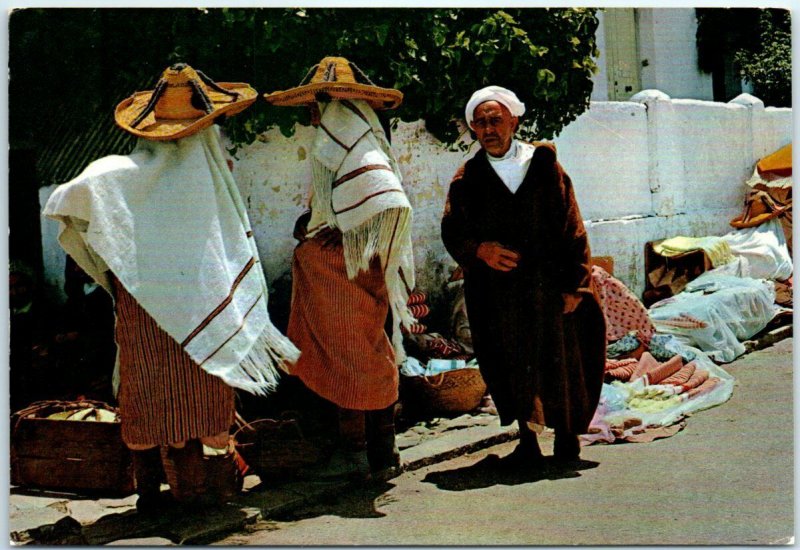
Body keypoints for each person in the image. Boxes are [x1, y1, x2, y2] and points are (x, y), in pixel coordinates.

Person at [43, 63, 299, 510]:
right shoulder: (209, 178)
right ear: (203, 128)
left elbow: (68, 199)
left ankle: (153, 494)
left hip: (145, 304)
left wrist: (115, 262)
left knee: (151, 398)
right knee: (197, 399)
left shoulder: (118, 174)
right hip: (200, 303)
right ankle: (200, 494)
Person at [264, 56, 417, 480]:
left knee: (358, 357)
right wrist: (316, 228)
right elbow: (332, 210)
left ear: (336, 105)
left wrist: (347, 233)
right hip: (339, 274)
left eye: (318, 103)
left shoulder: (356, 142)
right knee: (355, 356)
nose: (312, 112)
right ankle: (372, 452)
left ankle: (367, 453)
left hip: (352, 272)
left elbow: (387, 203)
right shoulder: (340, 145)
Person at [440, 86, 606, 467]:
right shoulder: (468, 179)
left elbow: (573, 227)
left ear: (514, 120)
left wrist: (575, 286)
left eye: (495, 119)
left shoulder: (545, 165)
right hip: (500, 294)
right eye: (479, 123)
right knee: (512, 365)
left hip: (549, 287)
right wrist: (480, 250)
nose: (488, 128)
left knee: (561, 363)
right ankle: (527, 442)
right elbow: (453, 231)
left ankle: (567, 441)